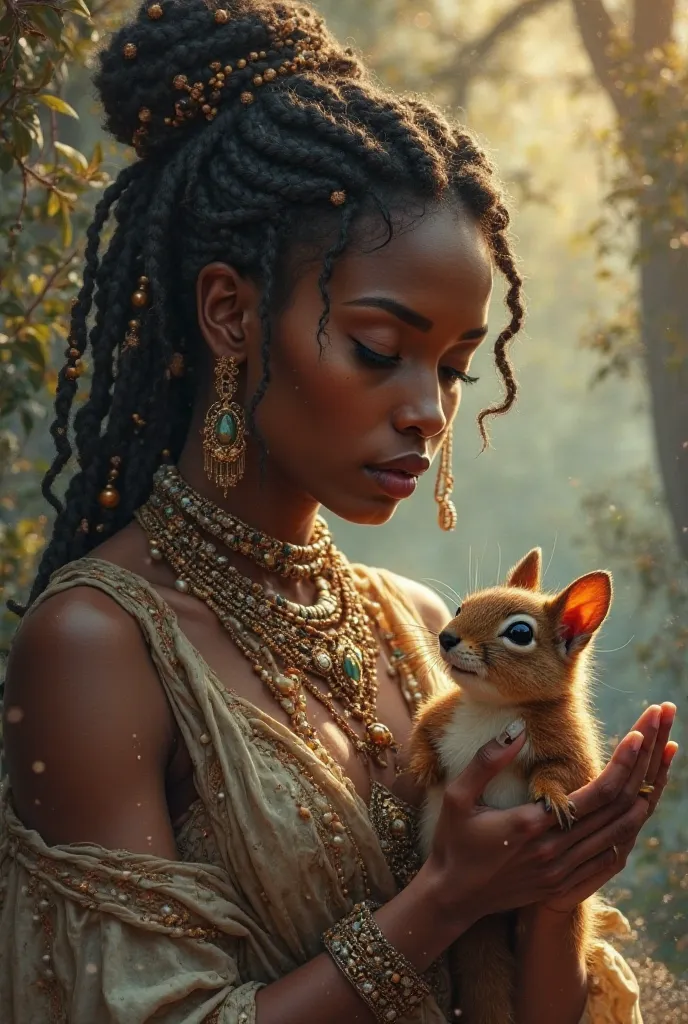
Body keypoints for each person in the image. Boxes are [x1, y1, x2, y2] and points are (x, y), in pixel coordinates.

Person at [0, 1, 677, 1022]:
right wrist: (443, 898)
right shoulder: (99, 645)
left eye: (453, 367)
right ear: (230, 312)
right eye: (378, 347)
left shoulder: (417, 623)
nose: (427, 410)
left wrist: (551, 895)